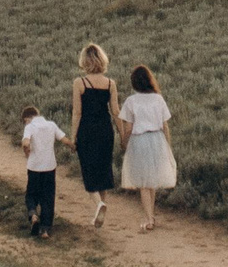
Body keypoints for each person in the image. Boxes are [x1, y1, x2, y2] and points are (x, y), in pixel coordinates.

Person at [117, 64, 178, 231]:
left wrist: (124, 142)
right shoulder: (158, 99)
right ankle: (151, 215)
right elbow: (165, 126)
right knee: (151, 180)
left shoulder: (131, 101)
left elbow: (128, 128)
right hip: (157, 139)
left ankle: (148, 218)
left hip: (140, 140)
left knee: (144, 182)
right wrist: (168, 144)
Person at [68, 42, 117, 225]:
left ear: (84, 61)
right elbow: (116, 112)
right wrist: (122, 134)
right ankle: (100, 208)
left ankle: (98, 204)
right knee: (103, 171)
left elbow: (77, 113)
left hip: (87, 131)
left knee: (88, 171)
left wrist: (73, 137)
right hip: (105, 130)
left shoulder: (79, 83)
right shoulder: (110, 83)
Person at [20, 105, 62, 237]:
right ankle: (45, 229)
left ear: (28, 118)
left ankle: (33, 214)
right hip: (49, 167)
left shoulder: (30, 126)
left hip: (34, 167)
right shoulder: (51, 124)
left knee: (31, 194)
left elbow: (26, 143)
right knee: (48, 197)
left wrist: (26, 151)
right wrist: (73, 146)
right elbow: (64, 139)